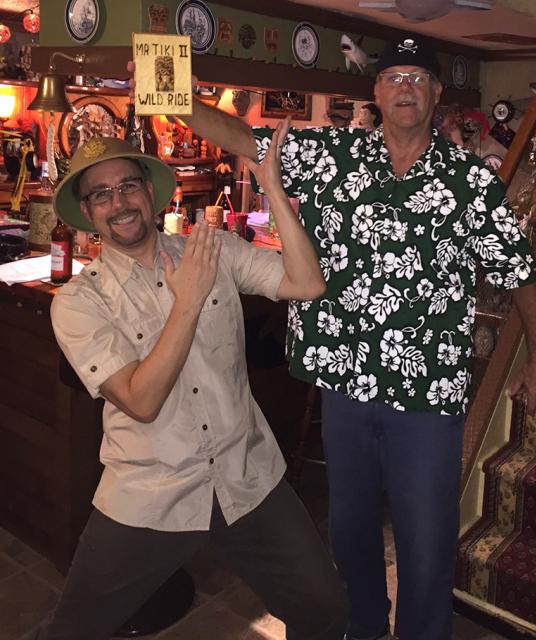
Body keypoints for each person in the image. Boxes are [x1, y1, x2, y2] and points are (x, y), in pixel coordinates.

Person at [137, 35, 536, 640]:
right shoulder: (332, 155)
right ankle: (364, 625)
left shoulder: (469, 181)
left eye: (417, 77)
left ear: (436, 93)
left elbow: (519, 271)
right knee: (352, 530)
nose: (405, 87)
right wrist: (166, 89)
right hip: (346, 379)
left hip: (426, 391)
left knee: (425, 537)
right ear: (376, 92)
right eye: (394, 77)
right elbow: (242, 137)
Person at [37, 130, 347, 640]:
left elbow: (307, 283)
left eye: (128, 185)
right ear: (87, 212)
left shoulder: (211, 249)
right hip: (149, 490)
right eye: (101, 194)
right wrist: (188, 301)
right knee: (73, 631)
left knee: (325, 609)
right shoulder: (78, 301)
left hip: (246, 474)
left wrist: (273, 189)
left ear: (150, 192)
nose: (119, 202)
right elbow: (140, 400)